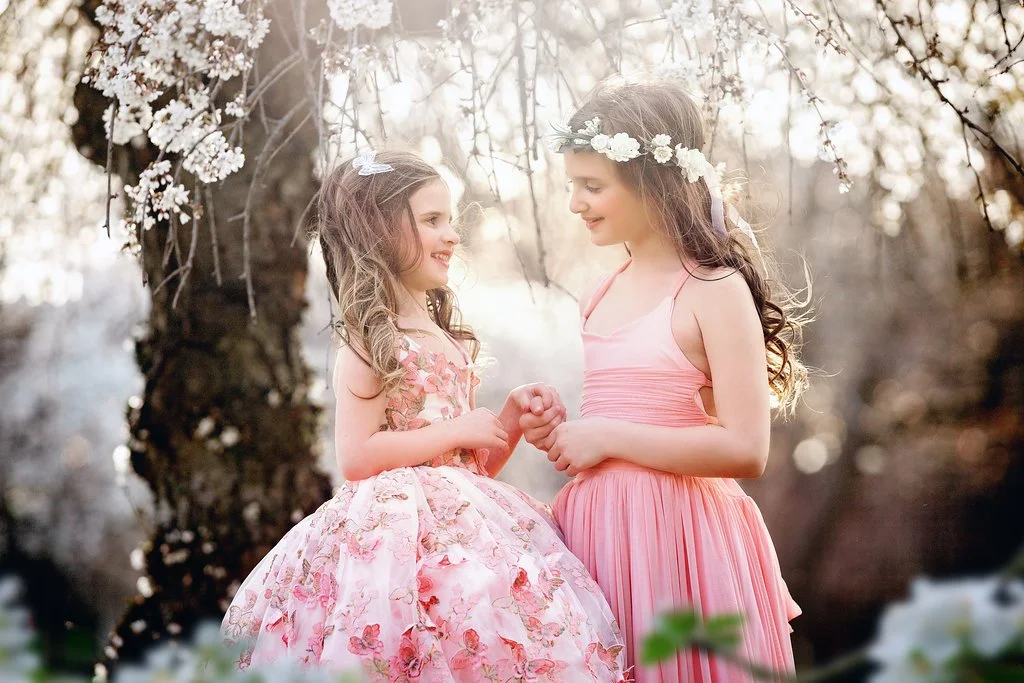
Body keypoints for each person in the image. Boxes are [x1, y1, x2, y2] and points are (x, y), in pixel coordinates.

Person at [221, 149, 626, 682]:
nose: (452, 234)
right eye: (432, 220)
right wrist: (456, 427)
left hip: (467, 535)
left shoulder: (442, 336)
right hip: (393, 543)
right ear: (379, 232)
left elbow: (468, 471)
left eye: (449, 219)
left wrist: (506, 420)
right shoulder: (371, 341)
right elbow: (358, 456)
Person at [524, 81, 805, 681]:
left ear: (655, 182)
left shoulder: (712, 289)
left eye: (592, 186)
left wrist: (607, 437)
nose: (575, 202)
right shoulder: (601, 292)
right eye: (572, 185)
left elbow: (745, 448)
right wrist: (562, 433)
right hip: (598, 533)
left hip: (679, 542)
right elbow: (610, 423)